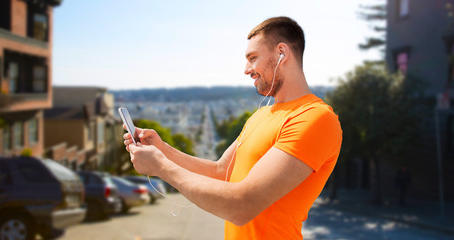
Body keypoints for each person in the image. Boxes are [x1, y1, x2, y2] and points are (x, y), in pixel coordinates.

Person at [124, 16, 343, 240]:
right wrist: (162, 150)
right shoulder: (260, 115)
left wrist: (161, 167)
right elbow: (220, 172)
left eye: (253, 58)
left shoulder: (315, 118)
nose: (247, 69)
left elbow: (243, 205)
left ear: (282, 54)